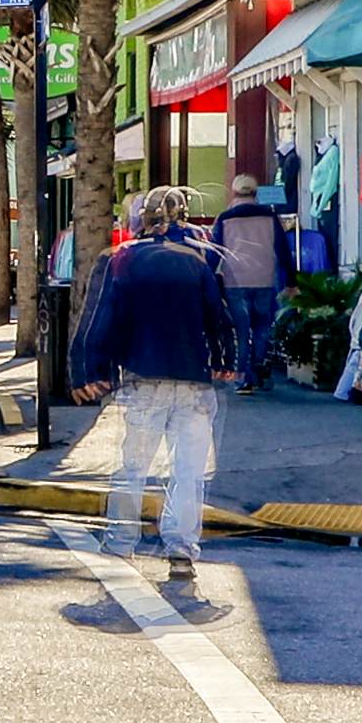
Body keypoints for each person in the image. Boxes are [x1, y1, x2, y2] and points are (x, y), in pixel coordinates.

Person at [68, 184, 235, 582]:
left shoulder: (120, 260)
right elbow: (221, 317)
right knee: (189, 470)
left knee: (133, 467)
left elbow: (98, 319)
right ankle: (180, 548)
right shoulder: (197, 262)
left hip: (144, 378)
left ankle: (122, 541)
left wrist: (87, 372)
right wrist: (225, 361)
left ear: (138, 222)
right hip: (194, 380)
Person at [208, 176, 295, 392]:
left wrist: (206, 277)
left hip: (235, 280)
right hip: (265, 278)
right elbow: (283, 250)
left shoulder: (225, 218)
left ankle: (244, 378)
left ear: (234, 193)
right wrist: (291, 281)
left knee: (242, 329)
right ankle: (258, 366)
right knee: (262, 327)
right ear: (256, 194)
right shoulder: (270, 216)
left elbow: (215, 252)